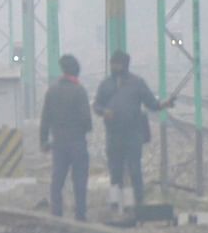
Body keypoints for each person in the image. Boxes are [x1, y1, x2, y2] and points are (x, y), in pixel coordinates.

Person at [93, 51, 172, 212]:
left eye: (117, 64)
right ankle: (116, 203)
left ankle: (137, 202)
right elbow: (96, 105)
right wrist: (103, 111)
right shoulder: (106, 84)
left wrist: (164, 104)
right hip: (113, 133)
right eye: (112, 63)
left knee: (135, 169)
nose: (114, 67)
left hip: (133, 133)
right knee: (115, 170)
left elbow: (151, 103)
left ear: (125, 65)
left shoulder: (137, 83)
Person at [39, 54, 92, 221]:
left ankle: (56, 213)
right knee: (80, 180)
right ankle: (80, 214)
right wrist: (85, 129)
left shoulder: (52, 91)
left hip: (59, 142)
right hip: (77, 141)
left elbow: (45, 118)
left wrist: (44, 141)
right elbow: (86, 119)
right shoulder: (79, 91)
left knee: (57, 179)